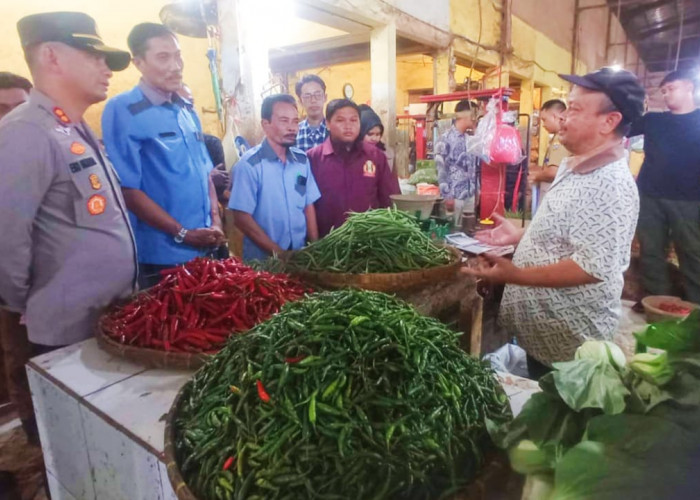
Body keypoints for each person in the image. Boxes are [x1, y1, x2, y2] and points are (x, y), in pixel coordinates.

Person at [0, 11, 137, 442]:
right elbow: (5, 239)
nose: (106, 67)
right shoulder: (26, 132)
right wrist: (29, 302)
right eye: (93, 54)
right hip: (63, 336)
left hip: (102, 324)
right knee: (74, 449)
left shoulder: (72, 127)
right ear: (52, 56)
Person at [463, 67, 644, 377]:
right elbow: (569, 232)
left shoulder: (610, 184)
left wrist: (516, 275)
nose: (563, 117)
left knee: (558, 417)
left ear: (609, 121)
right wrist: (521, 234)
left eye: (573, 109)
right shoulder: (574, 165)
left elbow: (592, 267)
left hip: (568, 348)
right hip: (543, 336)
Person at [102, 23, 225, 289]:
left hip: (205, 247)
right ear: (139, 62)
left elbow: (205, 173)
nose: (176, 65)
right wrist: (182, 233)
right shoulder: (123, 109)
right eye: (163, 57)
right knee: (170, 326)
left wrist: (216, 221)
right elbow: (128, 189)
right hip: (162, 256)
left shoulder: (186, 111)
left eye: (178, 55)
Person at [633, 69, 700, 306]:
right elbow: (622, 126)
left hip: (690, 199)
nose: (666, 94)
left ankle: (695, 310)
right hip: (650, 196)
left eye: (671, 88)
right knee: (651, 252)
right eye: (663, 91)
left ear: (689, 87)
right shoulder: (654, 120)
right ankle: (657, 304)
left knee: (692, 254)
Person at [229, 94, 320, 261]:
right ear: (266, 124)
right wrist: (279, 254)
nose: (292, 128)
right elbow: (241, 218)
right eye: (284, 121)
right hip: (264, 263)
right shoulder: (250, 165)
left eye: (295, 121)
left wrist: (315, 248)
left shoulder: (301, 161)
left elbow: (308, 205)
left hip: (299, 257)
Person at [308, 99, 400, 237]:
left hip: (368, 243)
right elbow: (306, 206)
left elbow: (390, 199)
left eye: (353, 120)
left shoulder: (375, 157)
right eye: (340, 120)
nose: (348, 126)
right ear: (327, 123)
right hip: (327, 244)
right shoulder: (313, 159)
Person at [0, 71, 32, 441]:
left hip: (46, 291)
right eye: (1, 108)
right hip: (10, 291)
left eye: (18, 108)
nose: (9, 118)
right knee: (20, 366)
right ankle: (38, 445)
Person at [435, 99, 480, 217]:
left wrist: (477, 191)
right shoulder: (445, 139)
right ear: (467, 115)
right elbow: (441, 169)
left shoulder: (470, 139)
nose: (476, 119)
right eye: (475, 115)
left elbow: (474, 167)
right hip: (454, 197)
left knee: (468, 229)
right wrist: (447, 196)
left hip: (470, 195)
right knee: (453, 230)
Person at [528, 99, 569, 204]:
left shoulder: (560, 139)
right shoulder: (557, 137)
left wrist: (536, 176)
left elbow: (554, 172)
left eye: (544, 120)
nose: (543, 124)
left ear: (555, 117)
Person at [295, 74, 328, 151]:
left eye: (318, 95)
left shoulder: (335, 130)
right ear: (300, 101)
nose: (313, 100)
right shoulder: (294, 133)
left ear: (325, 97)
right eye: (307, 96)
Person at [359, 104, 395, 170]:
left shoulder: (387, 154)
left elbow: (391, 178)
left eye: (378, 134)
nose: (374, 138)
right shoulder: (351, 155)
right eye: (370, 134)